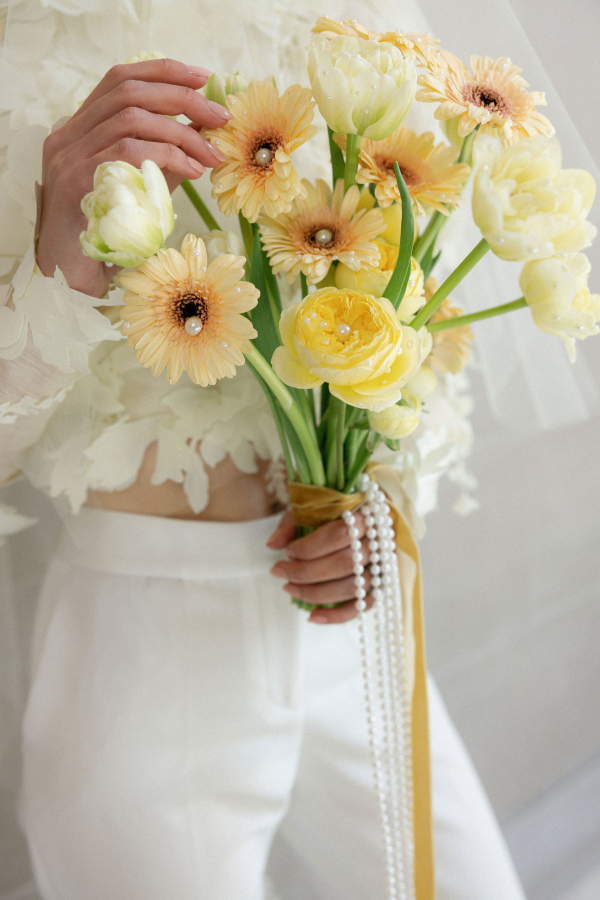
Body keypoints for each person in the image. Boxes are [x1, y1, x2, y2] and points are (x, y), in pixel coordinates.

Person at [0, 2, 530, 898]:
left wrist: (378, 503)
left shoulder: (344, 20)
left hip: (348, 623)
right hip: (142, 655)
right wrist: (60, 269)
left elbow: (423, 324)